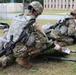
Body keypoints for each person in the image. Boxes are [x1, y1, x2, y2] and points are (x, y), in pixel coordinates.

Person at [0, 1, 44, 68]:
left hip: (9, 47)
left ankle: (3, 62)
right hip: (19, 50)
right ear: (36, 12)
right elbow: (43, 39)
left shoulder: (18, 17)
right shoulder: (32, 23)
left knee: (12, 56)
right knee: (42, 45)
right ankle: (24, 60)